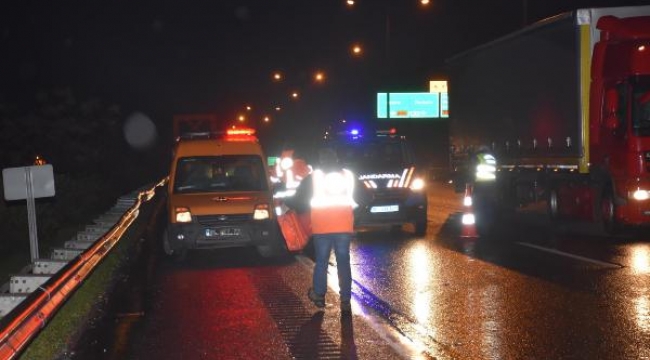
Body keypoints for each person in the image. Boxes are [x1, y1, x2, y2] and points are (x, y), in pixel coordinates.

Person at [285, 147, 363, 314]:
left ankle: (319, 295)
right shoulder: (348, 176)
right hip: (343, 227)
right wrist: (354, 214)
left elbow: (298, 201)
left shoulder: (314, 178)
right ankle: (345, 299)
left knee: (321, 261)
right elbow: (364, 197)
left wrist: (286, 202)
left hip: (321, 227)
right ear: (336, 159)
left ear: (321, 161)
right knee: (343, 262)